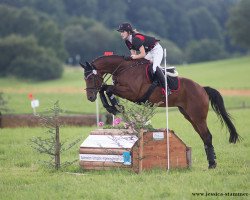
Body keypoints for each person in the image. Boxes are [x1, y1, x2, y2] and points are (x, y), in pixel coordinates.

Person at [117, 22, 166, 90]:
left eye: (123, 31)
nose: (121, 34)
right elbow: (133, 55)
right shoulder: (127, 41)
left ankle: (166, 88)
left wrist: (133, 57)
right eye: (120, 32)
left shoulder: (135, 39)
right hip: (149, 52)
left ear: (128, 32)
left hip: (156, 50)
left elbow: (143, 54)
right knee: (140, 65)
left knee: (155, 68)